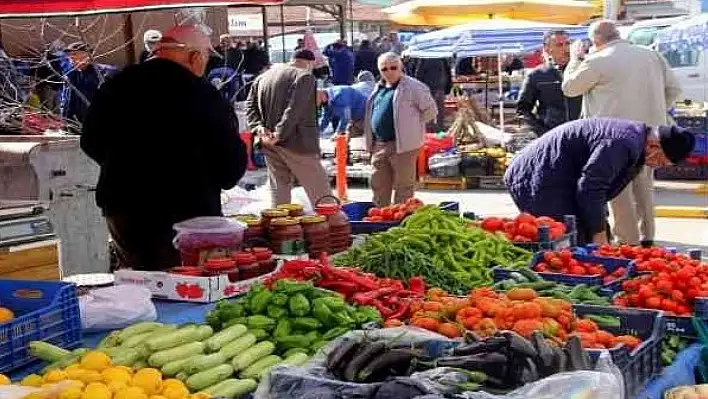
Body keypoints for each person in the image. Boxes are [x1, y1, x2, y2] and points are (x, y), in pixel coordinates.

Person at [80, 25, 248, 270]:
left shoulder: (116, 85)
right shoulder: (203, 94)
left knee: (139, 280)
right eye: (206, 57)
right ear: (195, 57)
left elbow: (90, 141)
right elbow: (230, 165)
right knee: (185, 283)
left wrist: (122, 167)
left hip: (123, 205)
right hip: (188, 212)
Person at [561, 20, 682, 247]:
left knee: (620, 190)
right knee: (644, 186)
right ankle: (648, 237)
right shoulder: (651, 56)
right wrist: (655, 110)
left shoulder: (597, 60)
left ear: (596, 40)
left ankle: (628, 242)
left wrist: (575, 58)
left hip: (614, 137)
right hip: (651, 134)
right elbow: (674, 89)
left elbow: (570, 88)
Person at [504, 118, 694, 246]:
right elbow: (591, 188)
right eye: (660, 160)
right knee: (562, 240)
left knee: (584, 236)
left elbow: (599, 189)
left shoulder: (635, 143)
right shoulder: (621, 143)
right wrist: (599, 232)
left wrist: (600, 227)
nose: (656, 166)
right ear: (654, 145)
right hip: (538, 178)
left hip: (563, 177)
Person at [246, 49, 331, 206]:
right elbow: (294, 109)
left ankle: (280, 228)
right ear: (310, 63)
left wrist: (258, 128)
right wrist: (279, 133)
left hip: (267, 141)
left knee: (279, 194)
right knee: (322, 195)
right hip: (297, 143)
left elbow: (250, 106)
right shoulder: (305, 76)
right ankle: (334, 228)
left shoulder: (263, 77)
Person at [364, 52, 437, 206]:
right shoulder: (379, 87)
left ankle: (400, 218)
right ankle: (380, 215)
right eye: (384, 69)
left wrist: (411, 127)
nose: (389, 72)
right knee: (378, 184)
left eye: (393, 67)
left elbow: (431, 111)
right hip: (380, 144)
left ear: (401, 67)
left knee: (403, 186)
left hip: (403, 146)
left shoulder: (414, 87)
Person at [516, 30, 582, 136]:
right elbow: (523, 109)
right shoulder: (536, 74)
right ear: (547, 49)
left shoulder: (584, 70)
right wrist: (541, 131)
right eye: (560, 45)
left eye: (568, 43)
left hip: (582, 132)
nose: (566, 49)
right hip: (552, 134)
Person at [61, 42, 110, 128]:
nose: (71, 58)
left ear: (86, 55)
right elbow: (67, 100)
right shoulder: (71, 74)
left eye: (74, 54)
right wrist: (65, 121)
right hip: (76, 124)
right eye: (69, 55)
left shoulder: (103, 73)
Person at [410, 57, 452, 132]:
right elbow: (419, 75)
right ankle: (430, 134)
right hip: (429, 90)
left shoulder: (442, 57)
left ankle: (438, 134)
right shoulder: (424, 58)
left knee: (439, 114)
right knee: (430, 114)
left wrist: (447, 87)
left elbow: (447, 72)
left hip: (439, 88)